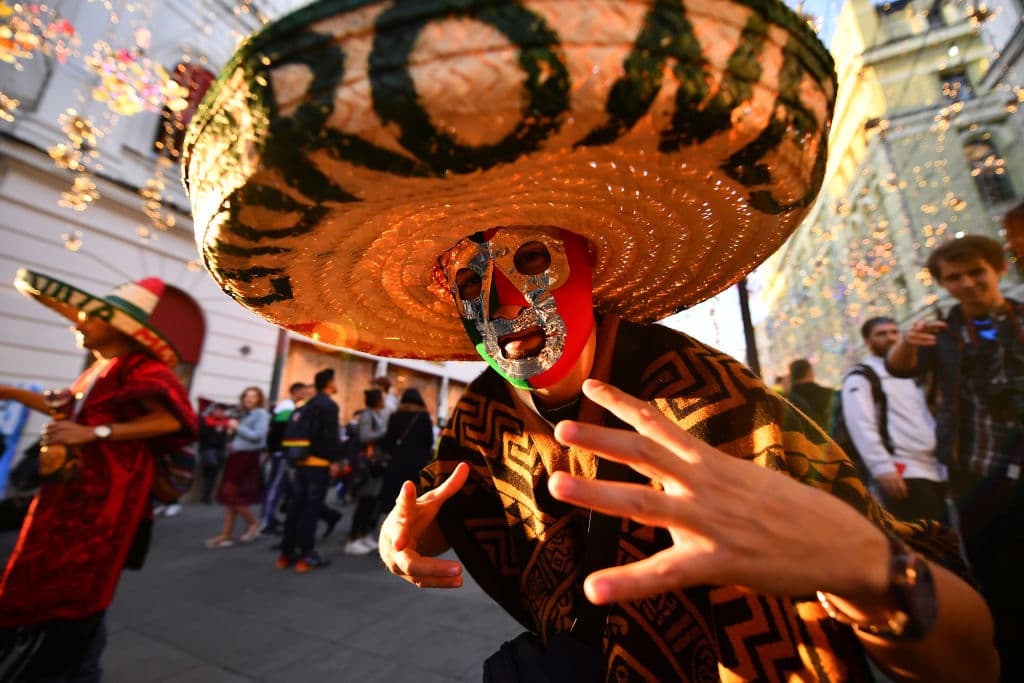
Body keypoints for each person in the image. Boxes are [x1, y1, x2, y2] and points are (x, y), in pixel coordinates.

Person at [184, 2, 996, 679]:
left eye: (531, 261)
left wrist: (874, 575)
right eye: (470, 284)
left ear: (589, 266)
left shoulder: (716, 408)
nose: (504, 304)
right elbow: (449, 497)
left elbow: (971, 655)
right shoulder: (483, 414)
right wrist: (411, 536)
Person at [0, 270, 196, 681]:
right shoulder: (98, 369)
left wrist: (95, 433)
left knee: (79, 596)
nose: (78, 323)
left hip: (107, 501)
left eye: (89, 317)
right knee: (56, 589)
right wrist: (9, 392)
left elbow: (173, 420)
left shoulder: (142, 367)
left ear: (118, 326)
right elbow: (66, 409)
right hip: (72, 496)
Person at [887, 234, 1023, 681]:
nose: (967, 284)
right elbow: (899, 367)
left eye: (976, 272)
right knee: (996, 571)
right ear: (944, 284)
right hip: (976, 470)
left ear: (998, 269)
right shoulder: (941, 332)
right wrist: (908, 342)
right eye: (954, 278)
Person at [841, 317, 946, 523]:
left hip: (934, 468)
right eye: (881, 334)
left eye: (894, 332)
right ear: (867, 341)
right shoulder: (861, 376)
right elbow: (861, 424)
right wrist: (882, 467)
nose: (890, 338)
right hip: (903, 472)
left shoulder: (912, 371)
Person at [277, 368, 342, 571]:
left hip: (300, 462)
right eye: (335, 380)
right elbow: (331, 437)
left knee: (295, 508)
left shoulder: (308, 405)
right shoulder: (329, 405)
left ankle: (286, 554)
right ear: (329, 383)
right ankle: (306, 556)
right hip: (319, 464)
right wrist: (335, 461)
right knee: (311, 511)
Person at [206, 386, 269, 548]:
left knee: (230, 493)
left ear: (259, 399)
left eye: (253, 396)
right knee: (230, 495)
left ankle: (253, 523)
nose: (249, 399)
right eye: (247, 396)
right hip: (236, 455)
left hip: (246, 457)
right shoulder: (245, 414)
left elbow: (258, 436)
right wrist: (232, 433)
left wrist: (237, 427)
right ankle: (226, 534)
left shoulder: (261, 414)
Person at [261, 381, 312, 534]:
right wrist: (276, 450)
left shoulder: (290, 407)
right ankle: (266, 521)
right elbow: (278, 432)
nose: (305, 395)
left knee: (278, 487)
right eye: (303, 391)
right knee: (275, 487)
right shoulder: (287, 408)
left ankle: (270, 517)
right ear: (296, 391)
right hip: (281, 454)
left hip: (280, 453)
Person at [344, 388, 388, 555]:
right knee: (364, 501)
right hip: (369, 464)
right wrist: (384, 433)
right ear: (377, 400)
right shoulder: (367, 415)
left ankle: (363, 535)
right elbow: (364, 436)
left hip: (375, 463)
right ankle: (353, 538)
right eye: (382, 397)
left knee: (370, 502)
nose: (384, 400)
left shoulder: (375, 415)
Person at [377, 388, 435, 516]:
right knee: (412, 498)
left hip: (397, 462)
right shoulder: (424, 417)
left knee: (393, 498)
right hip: (417, 463)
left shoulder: (396, 416)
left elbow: (388, 442)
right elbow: (429, 441)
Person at [787, 357, 838, 432]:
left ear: (792, 375)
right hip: (825, 437)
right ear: (809, 372)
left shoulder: (786, 399)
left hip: (799, 439)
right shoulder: (829, 394)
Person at [197, 402, 231, 504]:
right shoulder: (206, 420)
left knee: (213, 474)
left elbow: (226, 439)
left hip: (220, 451)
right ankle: (206, 495)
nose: (220, 412)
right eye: (218, 410)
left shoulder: (226, 423)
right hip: (208, 450)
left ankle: (207, 495)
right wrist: (216, 432)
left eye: (222, 411)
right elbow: (202, 435)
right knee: (211, 471)